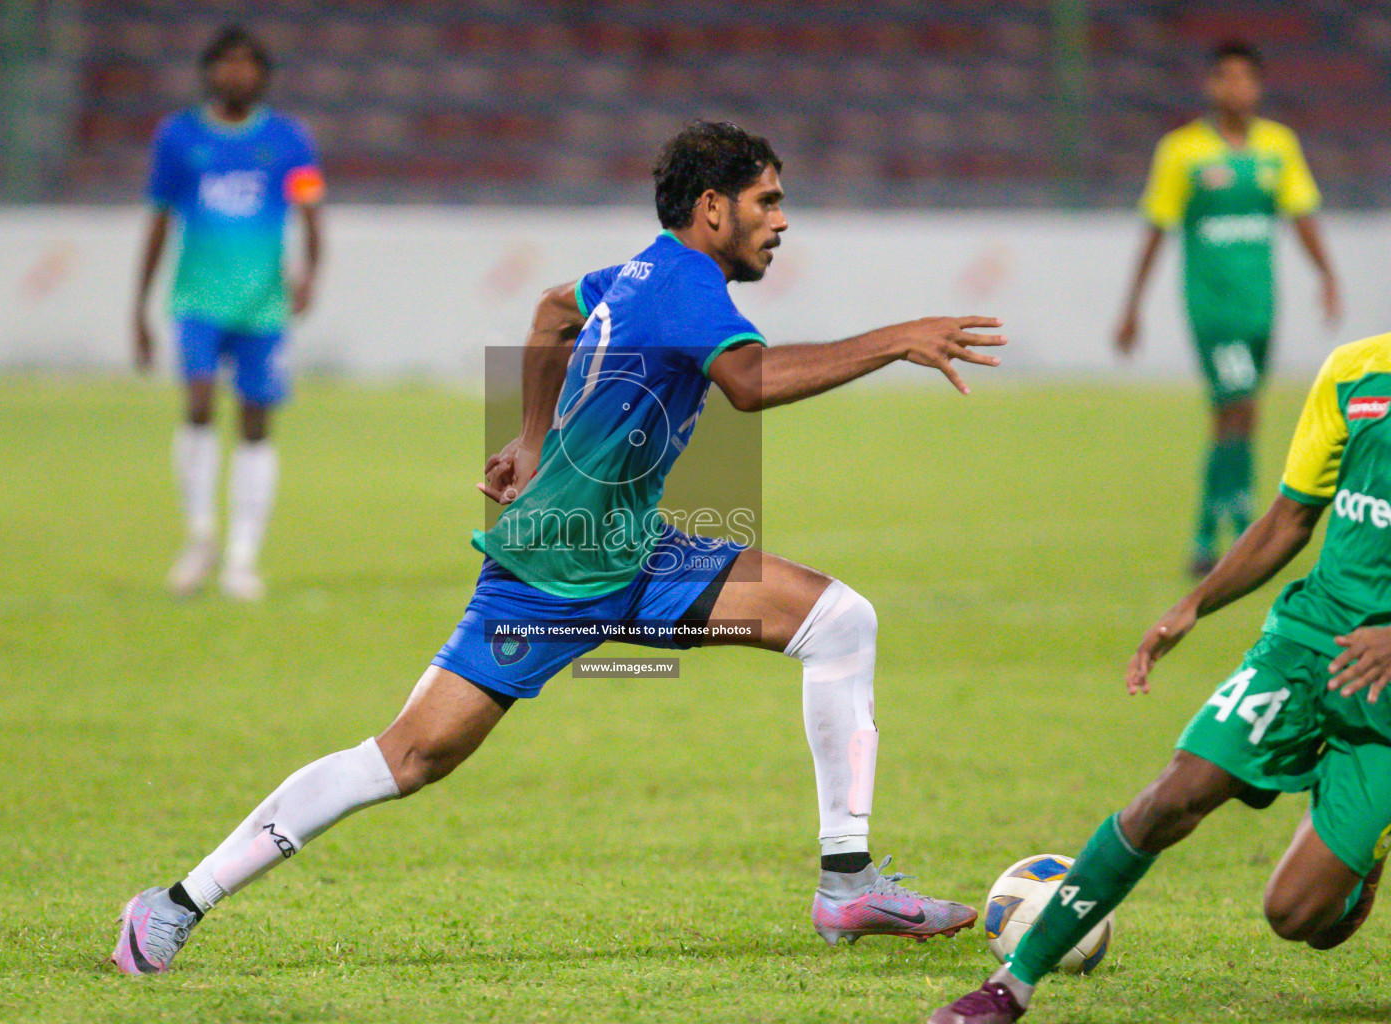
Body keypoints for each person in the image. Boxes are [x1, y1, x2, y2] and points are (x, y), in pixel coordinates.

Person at [112, 120, 1006, 975]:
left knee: (839, 621)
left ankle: (847, 885)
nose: (780, 221)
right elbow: (751, 383)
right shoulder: (686, 283)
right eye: (766, 202)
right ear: (711, 209)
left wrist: (532, 438)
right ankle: (174, 904)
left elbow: (548, 311)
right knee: (409, 758)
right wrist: (897, 339)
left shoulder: (642, 272)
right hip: (549, 575)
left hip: (636, 557)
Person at [927, 332, 1391, 1024]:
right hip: (1308, 640)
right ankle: (1011, 985)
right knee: (1176, 793)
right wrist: (1193, 606)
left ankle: (1367, 845)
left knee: (1300, 918)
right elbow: (1292, 516)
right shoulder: (1357, 371)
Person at [1113, 39, 1338, 578]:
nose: (1236, 88)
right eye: (1225, 77)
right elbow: (1156, 229)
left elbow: (1301, 213)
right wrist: (1132, 306)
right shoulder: (1182, 152)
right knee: (1235, 407)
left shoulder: (1278, 146)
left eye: (1245, 78)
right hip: (1212, 309)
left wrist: (1326, 274)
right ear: (1210, 85)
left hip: (1260, 307)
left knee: (1238, 418)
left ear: (1258, 85)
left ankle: (1202, 537)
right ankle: (1242, 534)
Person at [132, 24, 325, 601]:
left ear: (264, 76)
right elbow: (160, 220)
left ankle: (242, 556)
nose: (237, 73)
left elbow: (312, 209)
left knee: (256, 421)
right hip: (197, 300)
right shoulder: (178, 137)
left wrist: (311, 272)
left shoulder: (290, 140)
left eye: (248, 63)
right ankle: (199, 538)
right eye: (226, 62)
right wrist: (138, 307)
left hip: (263, 305)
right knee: (196, 404)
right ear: (208, 71)